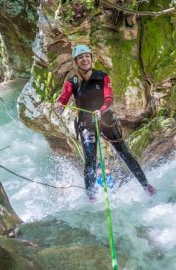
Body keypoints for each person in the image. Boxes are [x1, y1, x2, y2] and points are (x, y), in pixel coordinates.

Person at [54, 44, 156, 201]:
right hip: (86, 124)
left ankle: (146, 185)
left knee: (125, 153)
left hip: (106, 120)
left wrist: (100, 111)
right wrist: (60, 104)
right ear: (76, 62)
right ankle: (91, 197)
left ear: (91, 59)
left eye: (87, 56)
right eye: (80, 57)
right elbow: (64, 97)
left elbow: (109, 99)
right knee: (90, 160)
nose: (84, 59)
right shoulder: (72, 81)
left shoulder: (102, 77)